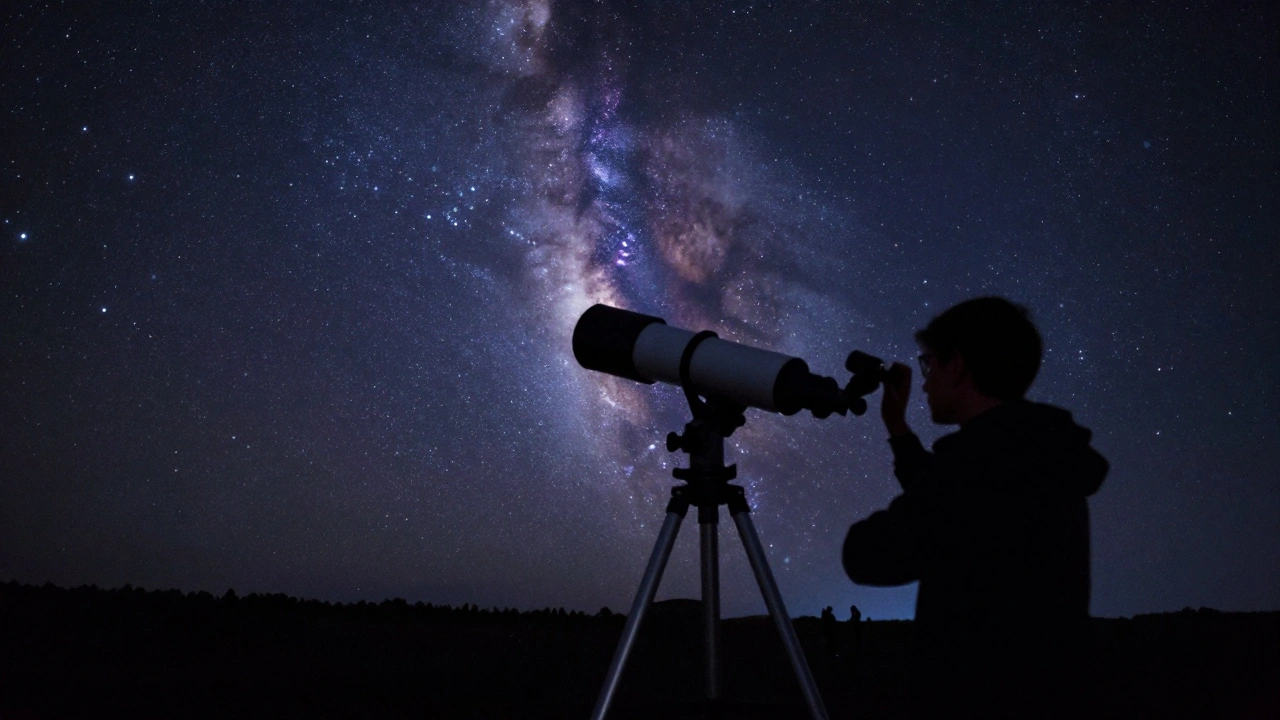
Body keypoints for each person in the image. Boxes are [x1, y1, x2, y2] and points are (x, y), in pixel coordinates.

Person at [842, 297, 1108, 718]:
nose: (925, 382)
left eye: (929, 365)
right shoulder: (1037, 450)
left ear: (957, 365)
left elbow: (870, 555)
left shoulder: (979, 465)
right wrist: (897, 428)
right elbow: (952, 513)